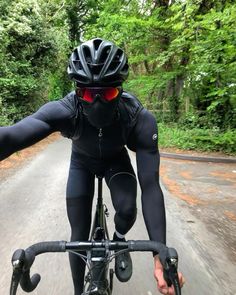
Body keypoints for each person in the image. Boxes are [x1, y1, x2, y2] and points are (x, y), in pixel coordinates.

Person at [0, 38, 184, 295]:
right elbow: (11, 137)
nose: (96, 101)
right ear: (76, 91)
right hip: (82, 163)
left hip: (115, 161)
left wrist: (159, 256)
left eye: (107, 93)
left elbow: (151, 187)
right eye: (87, 93)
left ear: (120, 90)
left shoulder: (137, 118)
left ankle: (118, 242)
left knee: (128, 208)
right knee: (78, 236)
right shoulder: (66, 110)